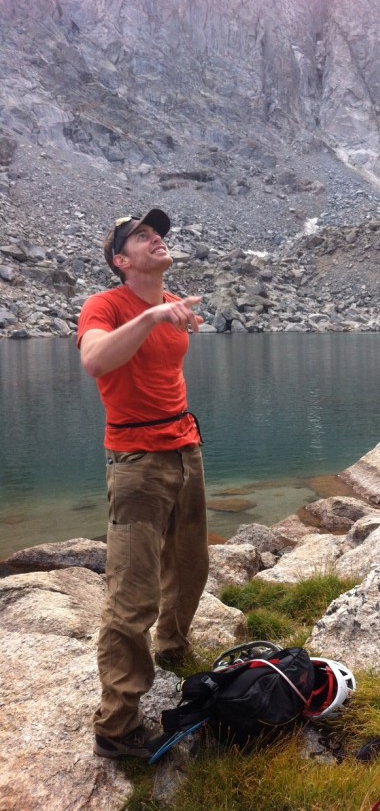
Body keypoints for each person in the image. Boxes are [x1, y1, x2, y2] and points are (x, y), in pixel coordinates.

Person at [77, 208, 210, 759]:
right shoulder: (104, 305)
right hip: (135, 460)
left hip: (183, 449)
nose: (156, 240)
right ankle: (117, 725)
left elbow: (162, 371)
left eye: (159, 234)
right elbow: (95, 361)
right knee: (132, 595)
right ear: (120, 260)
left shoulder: (169, 301)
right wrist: (153, 320)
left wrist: (167, 318)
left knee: (190, 563)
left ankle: (174, 647)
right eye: (142, 237)